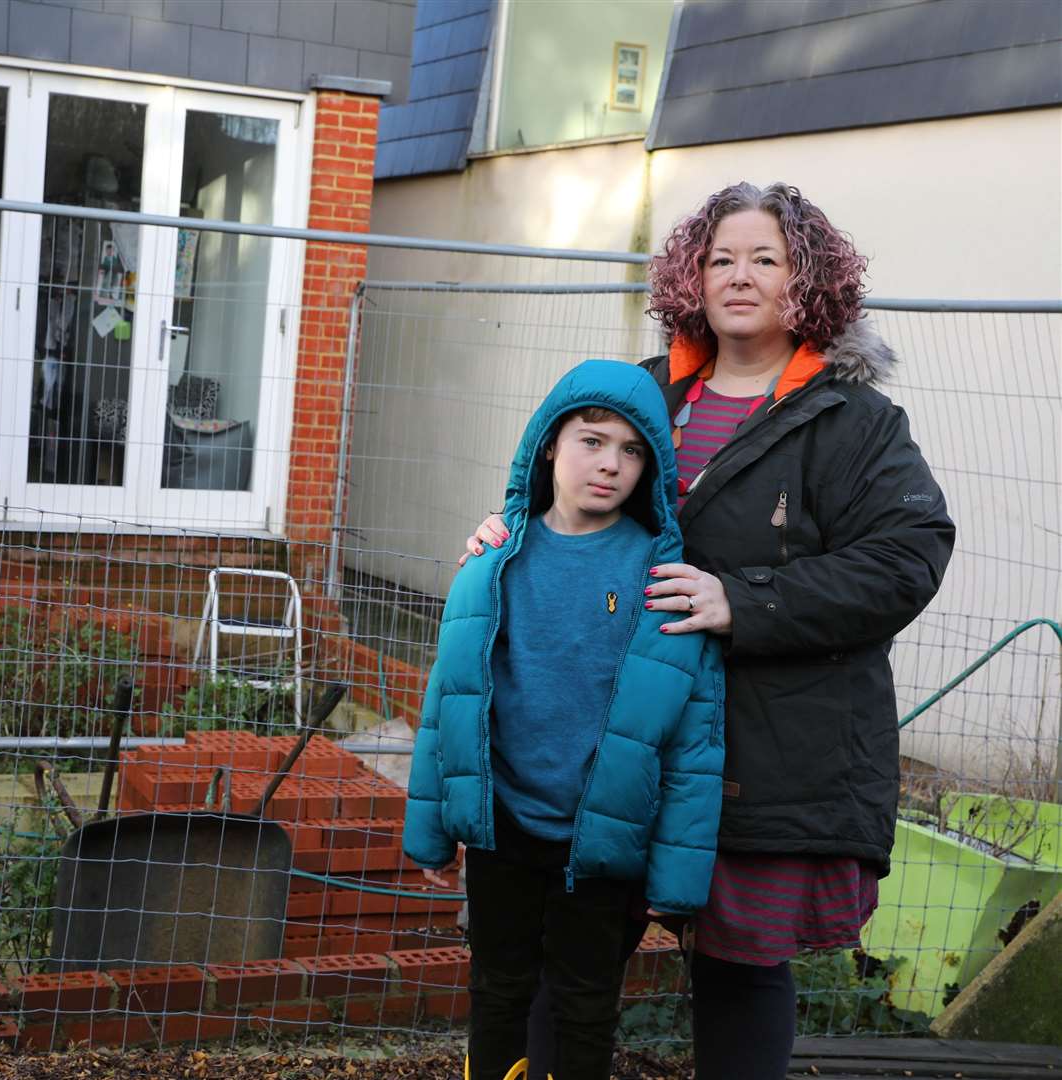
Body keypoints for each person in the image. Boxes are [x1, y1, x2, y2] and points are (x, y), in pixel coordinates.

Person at [459, 182, 955, 1079]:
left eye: (766, 258)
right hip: (612, 741)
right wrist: (506, 535)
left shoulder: (853, 420)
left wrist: (745, 600)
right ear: (693, 272)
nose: (739, 275)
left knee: (737, 967)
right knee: (561, 969)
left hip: (768, 749)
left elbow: (907, 558)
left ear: (808, 281)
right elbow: (552, 485)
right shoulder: (644, 397)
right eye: (721, 256)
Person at [405, 359, 727, 1080]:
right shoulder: (492, 562)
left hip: (601, 840)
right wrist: (432, 832)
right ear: (550, 443)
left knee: (586, 1009)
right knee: (496, 995)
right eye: (592, 440)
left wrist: (675, 872)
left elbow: (693, 737)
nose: (610, 464)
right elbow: (446, 702)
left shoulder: (664, 579)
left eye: (633, 450)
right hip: (504, 830)